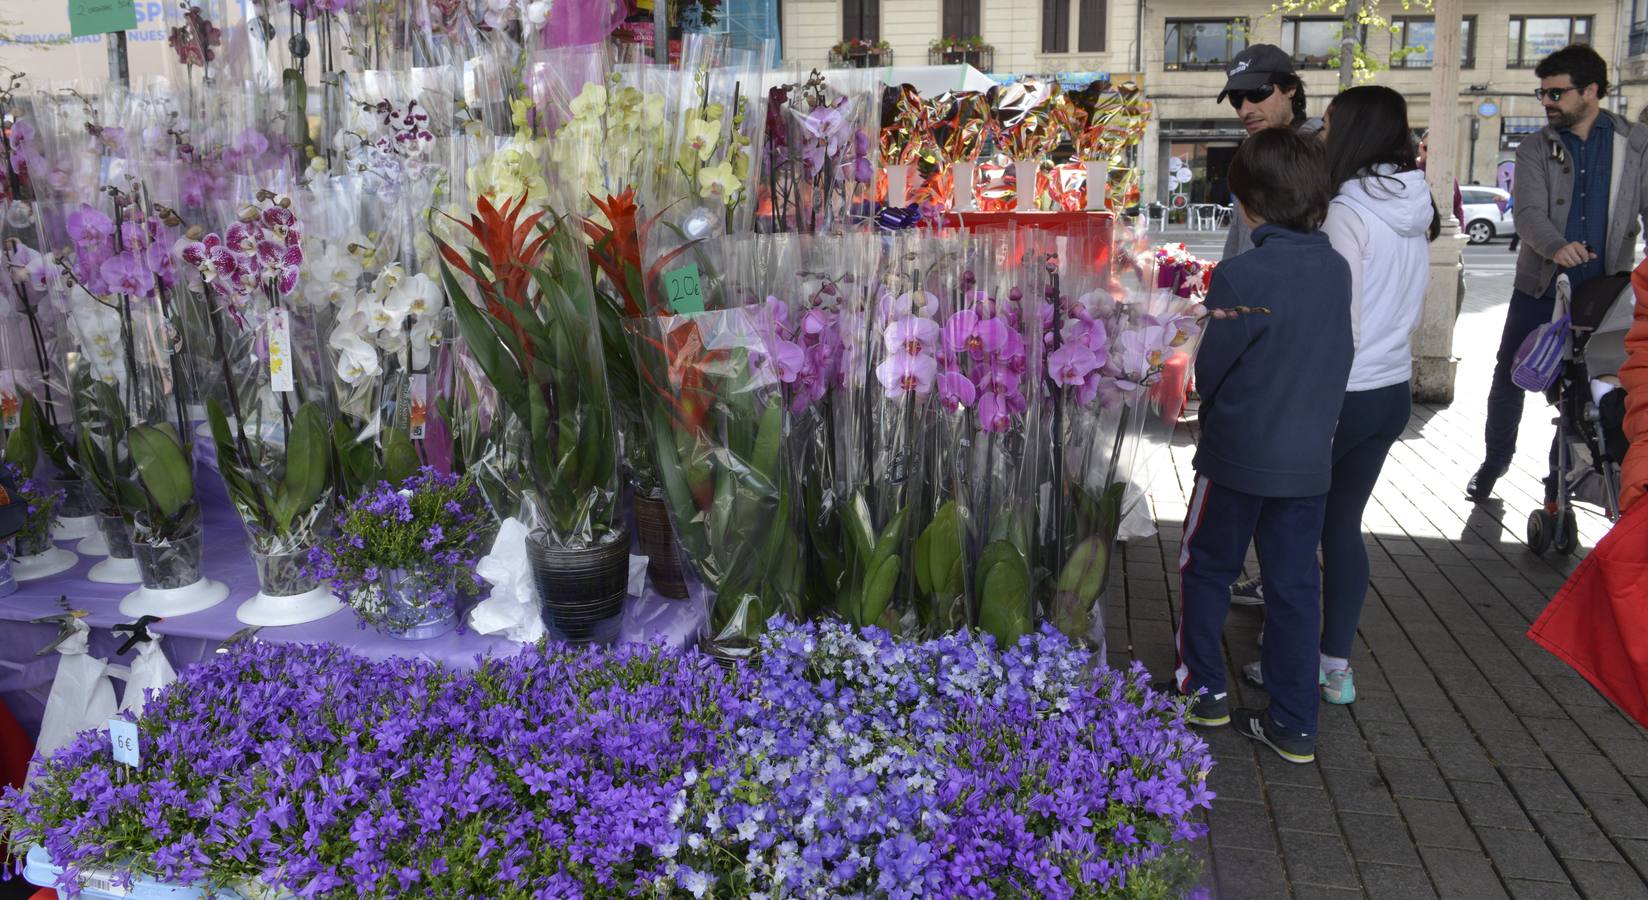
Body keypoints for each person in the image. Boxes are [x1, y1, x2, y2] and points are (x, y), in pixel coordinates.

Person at [1237, 86, 1439, 705]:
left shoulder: (1348, 210)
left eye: (1328, 126)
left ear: (1351, 133)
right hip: (1389, 392)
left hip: (1341, 393)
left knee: (1291, 532)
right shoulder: (1415, 201)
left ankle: (1286, 668)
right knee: (1342, 529)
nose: (1321, 136)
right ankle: (1334, 666)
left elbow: (1339, 317)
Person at [1162, 127, 1353, 765]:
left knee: (1206, 567)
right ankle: (1296, 724)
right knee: (1294, 587)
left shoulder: (1242, 276)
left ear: (1249, 206)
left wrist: (1200, 406)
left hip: (1237, 456)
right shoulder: (1335, 269)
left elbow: (1213, 366)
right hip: (1307, 462)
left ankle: (1205, 690)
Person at [1468, 44, 1648, 502]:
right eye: (1542, 93)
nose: (1546, 102)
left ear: (1591, 91)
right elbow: (1527, 212)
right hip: (1540, 285)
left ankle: (1557, 486)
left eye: (1556, 93)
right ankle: (1494, 463)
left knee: (1583, 392)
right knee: (1511, 375)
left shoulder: (1636, 142)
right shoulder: (1535, 145)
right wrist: (1556, 246)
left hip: (1606, 293)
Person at [1216, 43, 1322, 262]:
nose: (1245, 110)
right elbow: (1237, 242)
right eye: (1236, 99)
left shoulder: (1320, 149)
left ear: (1290, 87)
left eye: (1258, 92)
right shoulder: (1251, 153)